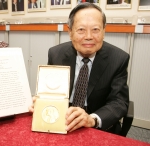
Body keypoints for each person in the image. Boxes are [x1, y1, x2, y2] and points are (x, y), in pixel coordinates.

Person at [29, 2, 129, 135]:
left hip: (96, 125)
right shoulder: (56, 54)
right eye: (81, 30)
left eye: (95, 29)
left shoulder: (118, 59)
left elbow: (119, 102)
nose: (88, 36)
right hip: (62, 119)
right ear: (70, 32)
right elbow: (51, 89)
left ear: (104, 31)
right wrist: (41, 99)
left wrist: (92, 119)